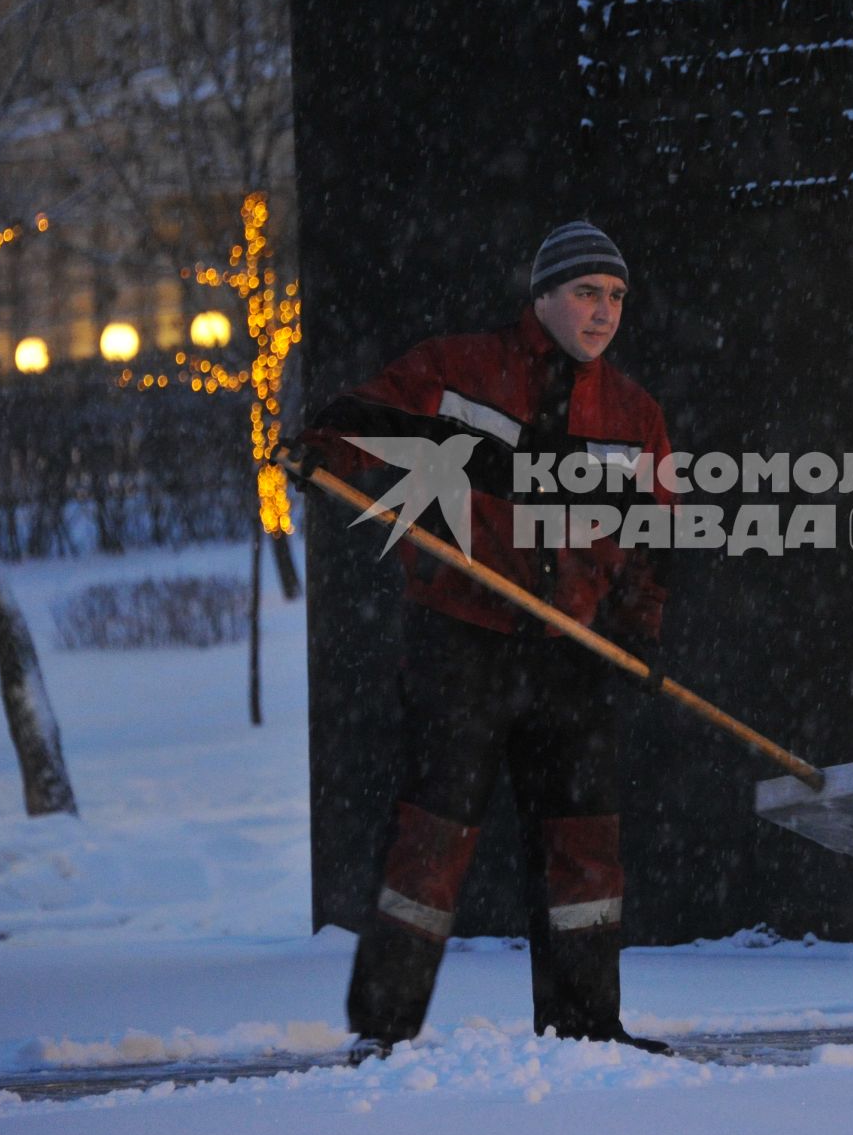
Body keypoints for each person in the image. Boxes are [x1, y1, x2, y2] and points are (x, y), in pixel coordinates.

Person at [286, 221, 674, 1057]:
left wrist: (640, 631)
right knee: (432, 835)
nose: (604, 311)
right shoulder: (461, 371)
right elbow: (364, 419)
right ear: (541, 295)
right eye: (585, 292)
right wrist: (323, 451)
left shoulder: (635, 416)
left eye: (616, 297)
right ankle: (383, 1029)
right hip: (462, 640)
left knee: (585, 843)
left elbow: (654, 540)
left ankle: (588, 1028)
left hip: (573, 652)